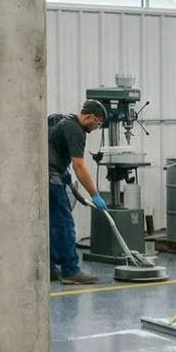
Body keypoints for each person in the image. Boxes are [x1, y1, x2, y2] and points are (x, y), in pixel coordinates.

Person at [49, 101, 107, 285]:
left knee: (52, 225)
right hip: (52, 178)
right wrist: (95, 194)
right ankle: (70, 270)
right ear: (90, 117)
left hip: (51, 175)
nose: (97, 128)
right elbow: (79, 166)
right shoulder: (76, 130)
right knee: (65, 224)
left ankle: (50, 268)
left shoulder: (64, 121)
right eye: (98, 124)